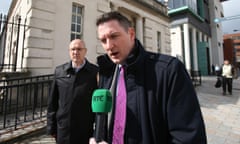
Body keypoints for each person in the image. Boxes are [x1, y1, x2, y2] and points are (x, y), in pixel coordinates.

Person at [90, 11, 206, 144]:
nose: (109, 46)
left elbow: (189, 138)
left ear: (131, 34)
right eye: (103, 40)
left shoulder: (169, 70)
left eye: (114, 36)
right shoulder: (106, 72)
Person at [47, 39, 98, 144]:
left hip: (85, 130)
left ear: (85, 51)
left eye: (79, 49)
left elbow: (98, 103)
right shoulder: (59, 71)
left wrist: (98, 130)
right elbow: (52, 102)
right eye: (73, 49)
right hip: (63, 129)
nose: (76, 52)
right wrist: (51, 127)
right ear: (69, 51)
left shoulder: (94, 72)